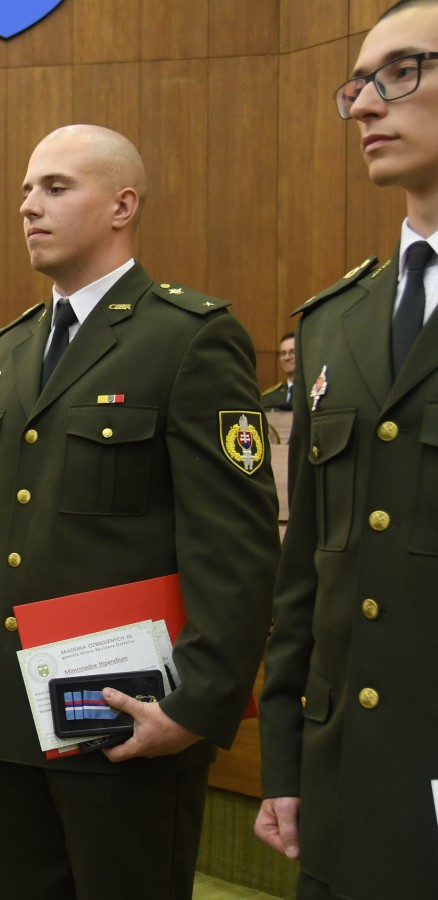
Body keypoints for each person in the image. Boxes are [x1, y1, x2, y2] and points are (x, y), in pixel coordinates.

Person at [0, 125, 279, 899]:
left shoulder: (186, 338)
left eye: (56, 188)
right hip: (4, 712)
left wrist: (195, 706)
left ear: (123, 206)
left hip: (128, 716)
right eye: (26, 190)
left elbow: (237, 547)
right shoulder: (10, 350)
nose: (29, 206)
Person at [256, 4, 438, 897]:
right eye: (358, 84)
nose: (364, 105)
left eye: (400, 72)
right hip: (342, 781)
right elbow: (309, 569)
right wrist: (285, 759)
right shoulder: (338, 321)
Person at [260, 333, 296, 410]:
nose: (286, 357)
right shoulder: (268, 399)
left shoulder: (314, 394)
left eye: (292, 352)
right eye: (283, 353)